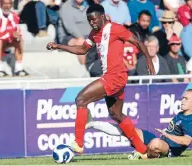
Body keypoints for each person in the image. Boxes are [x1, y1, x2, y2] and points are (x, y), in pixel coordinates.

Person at [46, 4, 155, 157]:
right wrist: (59, 46)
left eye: (94, 19)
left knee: (81, 99)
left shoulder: (116, 28)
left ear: (102, 16)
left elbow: (137, 42)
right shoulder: (94, 33)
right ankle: (142, 150)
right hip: (114, 77)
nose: (92, 23)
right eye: (89, 20)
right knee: (116, 114)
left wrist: (148, 59)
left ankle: (78, 143)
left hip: (115, 76)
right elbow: (82, 50)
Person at [86, 89, 192, 159]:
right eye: (183, 98)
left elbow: (187, 141)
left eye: (186, 99)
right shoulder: (182, 114)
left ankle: (144, 155)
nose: (182, 101)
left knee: (155, 143)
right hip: (162, 141)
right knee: (129, 129)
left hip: (169, 150)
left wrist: (167, 135)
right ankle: (92, 124)